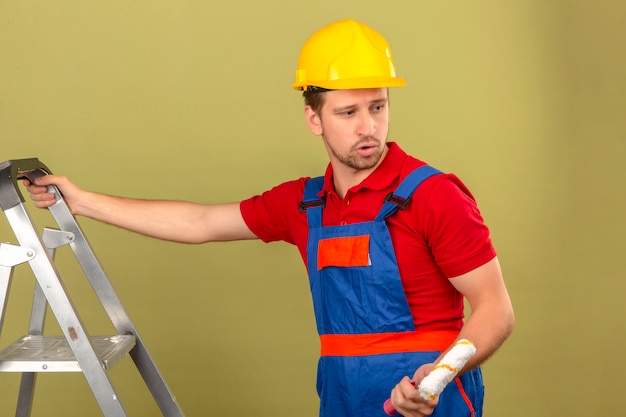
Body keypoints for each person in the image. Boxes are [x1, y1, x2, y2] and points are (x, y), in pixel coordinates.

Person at [26, 19, 514, 417]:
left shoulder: (432, 195)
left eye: (378, 107)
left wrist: (438, 377)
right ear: (314, 119)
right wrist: (81, 201)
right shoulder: (305, 205)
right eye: (348, 112)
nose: (368, 128)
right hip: (342, 395)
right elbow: (200, 223)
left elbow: (496, 309)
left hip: (429, 395)